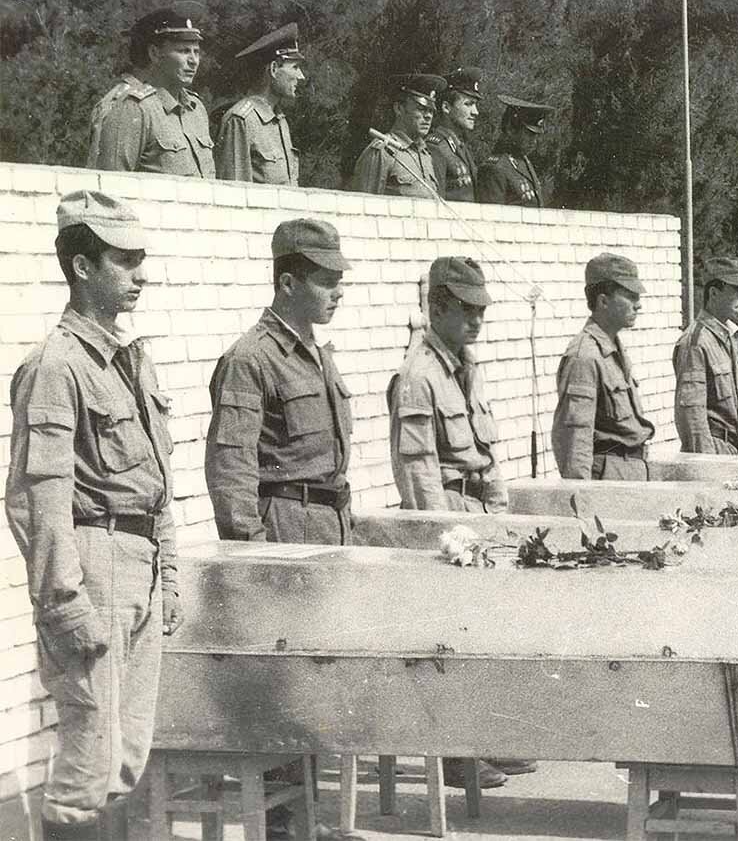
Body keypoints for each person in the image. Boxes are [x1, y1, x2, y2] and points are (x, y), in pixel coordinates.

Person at [6, 191, 183, 841]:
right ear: (82, 266)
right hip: (95, 567)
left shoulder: (128, 362)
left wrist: (169, 577)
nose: (141, 273)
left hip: (138, 567)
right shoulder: (56, 367)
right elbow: (38, 498)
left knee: (124, 757)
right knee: (89, 757)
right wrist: (63, 603)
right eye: (124, 259)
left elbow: (155, 482)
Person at [203, 219, 358, 840]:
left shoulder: (315, 351)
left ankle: (310, 821)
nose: (338, 291)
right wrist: (251, 559)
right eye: (326, 280)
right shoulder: (251, 359)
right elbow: (231, 464)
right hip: (284, 529)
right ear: (288, 281)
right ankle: (287, 828)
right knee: (283, 688)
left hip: (325, 526)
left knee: (315, 684)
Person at [388, 257, 534, 788]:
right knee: (449, 640)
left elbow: (488, 455)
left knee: (486, 636)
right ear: (438, 308)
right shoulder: (418, 375)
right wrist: (446, 542)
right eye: (466, 311)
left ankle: (486, 738)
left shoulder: (466, 367)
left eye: (481, 310)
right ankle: (455, 754)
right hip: (450, 522)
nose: (477, 321)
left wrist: (499, 517)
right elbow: (419, 471)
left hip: (480, 517)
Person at [552, 253, 655, 479]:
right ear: (603, 301)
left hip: (630, 471)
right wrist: (581, 499)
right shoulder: (584, 356)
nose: (638, 305)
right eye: (630, 296)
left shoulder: (612, 349)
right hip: (608, 476)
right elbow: (575, 438)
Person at [92, 3, 215, 177]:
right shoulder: (135, 109)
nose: (193, 60)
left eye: (196, 52)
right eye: (183, 51)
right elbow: (112, 187)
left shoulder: (196, 110)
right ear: (155, 54)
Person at [673, 257, 738, 453]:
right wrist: (706, 464)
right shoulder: (696, 342)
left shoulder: (727, 337)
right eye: (737, 291)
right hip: (713, 449)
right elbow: (692, 415)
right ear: (714, 293)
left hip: (732, 448)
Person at [214, 23, 305, 186]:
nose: (301, 76)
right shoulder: (241, 120)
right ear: (274, 69)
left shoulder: (280, 120)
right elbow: (235, 192)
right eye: (295, 67)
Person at [349, 74, 444, 198]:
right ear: (399, 109)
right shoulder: (382, 151)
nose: (428, 116)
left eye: (431, 111)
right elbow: (364, 207)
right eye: (421, 109)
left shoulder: (426, 155)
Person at [477, 95, 553, 206]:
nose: (534, 141)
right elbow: (492, 218)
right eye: (529, 134)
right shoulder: (495, 168)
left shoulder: (523, 161)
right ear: (510, 129)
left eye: (536, 136)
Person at [428, 66, 482, 202]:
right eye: (468, 104)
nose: (475, 112)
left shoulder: (460, 147)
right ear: (446, 107)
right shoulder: (436, 148)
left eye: (475, 105)